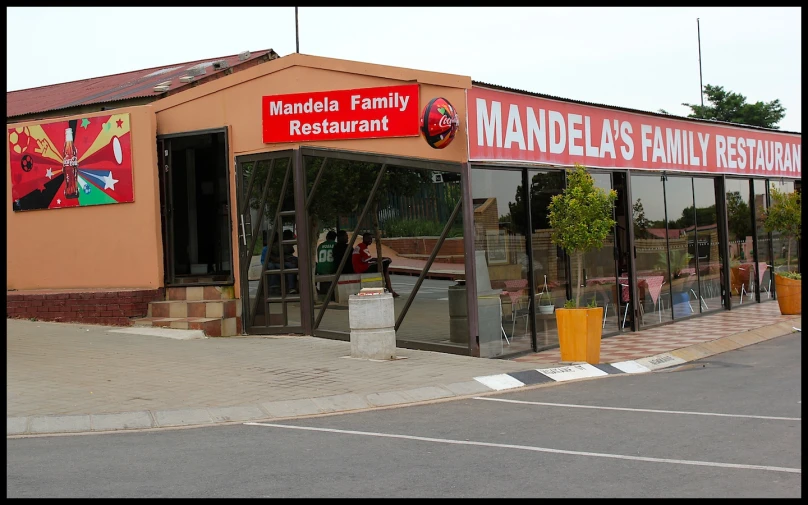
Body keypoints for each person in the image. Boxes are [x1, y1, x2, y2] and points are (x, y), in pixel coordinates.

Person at [352, 232, 399, 297]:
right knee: (385, 263)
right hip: (362, 268)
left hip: (360, 267)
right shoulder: (362, 247)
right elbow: (370, 259)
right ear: (364, 238)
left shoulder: (360, 246)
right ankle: (390, 289)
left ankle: (388, 287)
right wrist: (382, 258)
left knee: (384, 266)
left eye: (371, 239)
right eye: (369, 239)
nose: (371, 240)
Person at [264, 229, 298, 294]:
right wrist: (286, 259)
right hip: (277, 262)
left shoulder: (286, 244)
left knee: (294, 264)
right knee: (291, 267)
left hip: (283, 261)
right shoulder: (278, 245)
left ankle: (292, 286)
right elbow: (274, 257)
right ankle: (291, 287)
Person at [315, 230, 338, 295]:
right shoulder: (336, 245)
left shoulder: (320, 246)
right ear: (335, 238)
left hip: (320, 269)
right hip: (331, 269)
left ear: (327, 237)